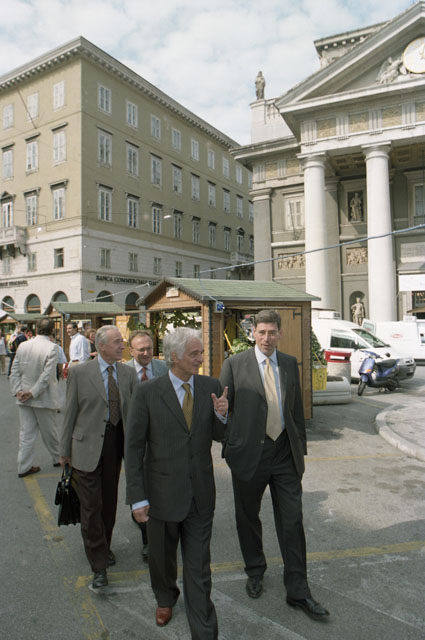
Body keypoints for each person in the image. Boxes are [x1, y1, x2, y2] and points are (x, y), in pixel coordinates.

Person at [219, 309, 329, 621]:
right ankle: (255, 570)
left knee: (292, 520)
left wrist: (299, 449)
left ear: (280, 333)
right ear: (252, 333)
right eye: (261, 332)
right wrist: (223, 422)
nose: (266, 338)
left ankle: (298, 590)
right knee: (247, 517)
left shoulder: (290, 364)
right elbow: (223, 411)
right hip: (249, 456)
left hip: (284, 454)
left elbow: (295, 410)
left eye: (272, 332)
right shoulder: (234, 365)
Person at [125, 327, 228, 637]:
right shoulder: (147, 392)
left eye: (201, 353)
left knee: (198, 567)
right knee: (161, 558)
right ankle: (165, 597)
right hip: (160, 495)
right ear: (174, 357)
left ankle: (204, 631)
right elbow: (134, 447)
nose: (200, 359)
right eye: (194, 354)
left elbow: (219, 436)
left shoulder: (211, 386)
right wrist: (137, 497)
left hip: (200, 494)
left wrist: (222, 416)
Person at [60, 326, 138, 589]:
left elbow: (134, 413)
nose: (122, 346)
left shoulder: (127, 373)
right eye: (117, 342)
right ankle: (99, 565)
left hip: (115, 443)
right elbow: (70, 412)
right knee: (91, 506)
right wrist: (64, 451)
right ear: (101, 345)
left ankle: (104, 544)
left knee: (109, 503)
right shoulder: (79, 373)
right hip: (86, 446)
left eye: (122, 342)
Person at [125, 329, 168, 559]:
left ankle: (164, 531)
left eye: (149, 348)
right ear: (130, 351)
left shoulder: (163, 368)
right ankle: (147, 540)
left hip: (162, 438)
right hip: (136, 439)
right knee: (139, 487)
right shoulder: (123, 372)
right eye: (141, 349)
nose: (146, 353)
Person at [9, 318, 61, 478]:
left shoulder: (23, 346)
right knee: (50, 432)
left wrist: (18, 390)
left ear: (36, 329)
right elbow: (47, 376)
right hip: (43, 397)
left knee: (26, 434)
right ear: (52, 331)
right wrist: (32, 392)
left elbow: (14, 371)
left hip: (23, 397)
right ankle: (58, 458)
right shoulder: (52, 347)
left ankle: (23, 466)